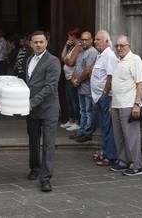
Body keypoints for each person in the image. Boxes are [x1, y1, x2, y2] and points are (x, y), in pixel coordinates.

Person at [24, 31, 61, 192]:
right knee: (33, 140)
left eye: (41, 42)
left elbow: (50, 87)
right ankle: (34, 168)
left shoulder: (53, 61)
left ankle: (45, 178)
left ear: (46, 43)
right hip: (31, 110)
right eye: (35, 42)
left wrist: (32, 102)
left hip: (48, 109)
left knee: (48, 144)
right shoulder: (29, 60)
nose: (38, 45)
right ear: (30, 43)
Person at [108, 35, 142, 176]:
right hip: (116, 103)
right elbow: (115, 84)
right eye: (117, 46)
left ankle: (136, 165)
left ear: (128, 45)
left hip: (129, 103)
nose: (119, 48)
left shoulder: (135, 59)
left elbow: (140, 83)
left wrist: (137, 104)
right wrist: (112, 104)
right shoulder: (117, 61)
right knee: (119, 135)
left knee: (132, 136)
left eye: (122, 45)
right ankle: (123, 161)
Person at [91, 30, 118, 167]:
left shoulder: (110, 56)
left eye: (98, 39)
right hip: (98, 97)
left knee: (108, 128)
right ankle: (106, 151)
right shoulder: (100, 56)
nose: (95, 42)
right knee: (103, 127)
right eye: (95, 39)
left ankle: (110, 155)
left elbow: (110, 77)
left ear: (107, 41)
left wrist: (104, 94)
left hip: (105, 97)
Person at [69, 31, 98, 142]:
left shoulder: (92, 52)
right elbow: (77, 67)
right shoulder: (81, 52)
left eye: (86, 39)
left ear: (91, 40)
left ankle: (87, 132)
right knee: (83, 111)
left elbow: (87, 70)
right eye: (82, 39)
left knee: (89, 110)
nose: (84, 41)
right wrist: (73, 79)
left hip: (88, 87)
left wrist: (78, 81)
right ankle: (81, 131)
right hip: (81, 87)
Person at [60, 28, 82, 131]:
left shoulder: (78, 47)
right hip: (68, 77)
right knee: (69, 100)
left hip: (73, 77)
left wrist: (66, 60)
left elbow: (71, 62)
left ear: (73, 36)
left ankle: (77, 121)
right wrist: (66, 45)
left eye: (69, 36)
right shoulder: (71, 47)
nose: (68, 38)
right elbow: (63, 57)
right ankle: (71, 120)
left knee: (74, 101)